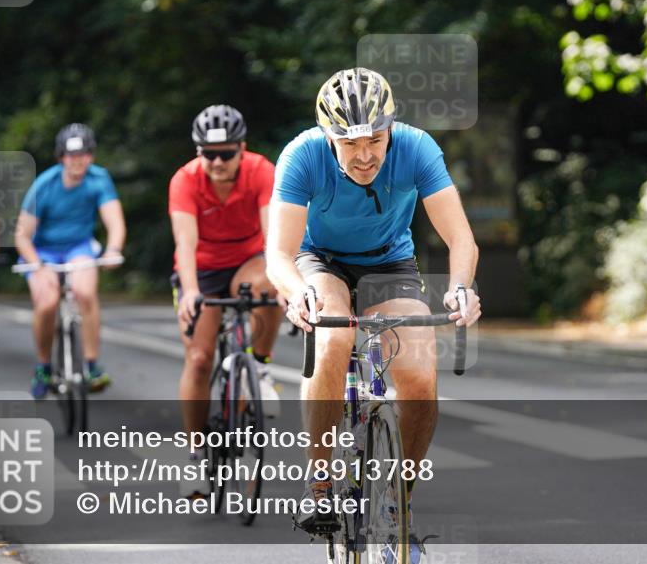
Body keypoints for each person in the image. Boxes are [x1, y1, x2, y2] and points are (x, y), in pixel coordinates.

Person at [266, 68, 482, 553]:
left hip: (390, 263)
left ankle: (396, 502)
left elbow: (460, 236)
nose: (365, 155)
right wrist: (298, 293)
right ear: (329, 137)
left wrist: (462, 288)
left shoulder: (418, 148)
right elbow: (277, 254)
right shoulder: (302, 156)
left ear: (391, 129)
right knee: (334, 339)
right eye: (349, 144)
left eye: (375, 140)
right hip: (320, 260)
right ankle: (319, 485)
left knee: (421, 378)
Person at [170, 105, 282, 496]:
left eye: (226, 153)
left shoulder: (261, 170)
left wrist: (284, 278)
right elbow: (185, 241)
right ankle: (196, 454)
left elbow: (273, 235)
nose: (217, 162)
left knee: (271, 287)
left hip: (248, 261)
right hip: (201, 269)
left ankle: (261, 368)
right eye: (208, 154)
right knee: (199, 358)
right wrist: (190, 291)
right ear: (199, 152)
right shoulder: (184, 180)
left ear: (242, 148)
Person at [15, 123, 126, 398]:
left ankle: (91, 366)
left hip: (79, 246)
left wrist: (113, 249)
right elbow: (22, 235)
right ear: (61, 157)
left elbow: (115, 222)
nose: (77, 161)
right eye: (71, 155)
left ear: (91, 156)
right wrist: (38, 268)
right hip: (42, 252)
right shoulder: (44, 185)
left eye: (84, 154)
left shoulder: (99, 179)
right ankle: (43, 366)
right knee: (47, 301)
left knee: (85, 292)